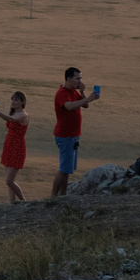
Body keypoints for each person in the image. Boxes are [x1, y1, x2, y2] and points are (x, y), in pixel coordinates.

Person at [49, 65, 101, 197]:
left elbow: (85, 105)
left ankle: (63, 195)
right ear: (68, 78)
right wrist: (88, 98)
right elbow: (69, 106)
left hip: (73, 135)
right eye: (77, 79)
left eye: (80, 78)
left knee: (67, 170)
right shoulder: (62, 93)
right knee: (63, 169)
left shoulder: (73, 91)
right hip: (65, 136)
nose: (80, 81)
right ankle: (53, 196)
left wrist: (83, 93)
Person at [0, 92, 31, 202]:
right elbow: (10, 118)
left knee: (9, 181)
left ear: (22, 102)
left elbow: (11, 120)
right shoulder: (14, 113)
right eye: (12, 99)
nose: (13, 102)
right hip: (9, 145)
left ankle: (23, 201)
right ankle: (12, 203)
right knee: (10, 180)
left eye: (16, 100)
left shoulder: (23, 115)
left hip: (17, 147)